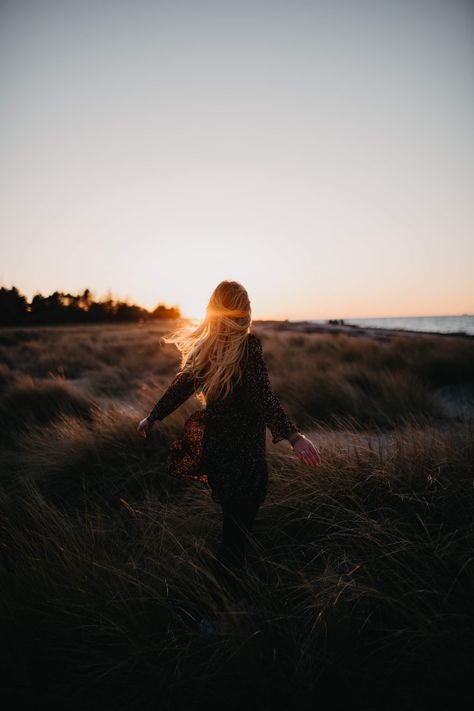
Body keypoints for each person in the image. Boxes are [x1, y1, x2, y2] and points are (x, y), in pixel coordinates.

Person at [137, 280, 321, 577]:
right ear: (244, 311)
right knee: (236, 537)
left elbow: (181, 387)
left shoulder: (207, 348)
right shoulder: (248, 347)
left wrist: (153, 416)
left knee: (233, 529)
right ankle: (220, 606)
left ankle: (222, 599)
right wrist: (294, 437)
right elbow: (264, 398)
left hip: (218, 453)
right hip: (244, 458)